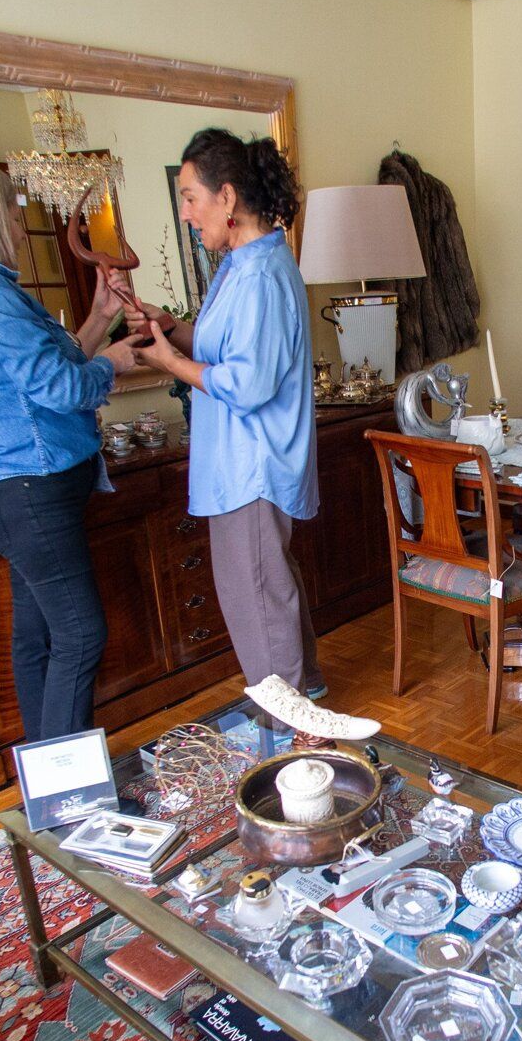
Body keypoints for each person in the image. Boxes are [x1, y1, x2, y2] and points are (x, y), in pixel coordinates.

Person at [0, 157, 142, 739]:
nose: (20, 227)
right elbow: (59, 388)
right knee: (80, 635)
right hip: (30, 490)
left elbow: (45, 368)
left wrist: (99, 318)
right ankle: (70, 784)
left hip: (19, 490)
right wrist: (113, 363)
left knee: (38, 638)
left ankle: (47, 777)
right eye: (11, 211)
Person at [128, 129, 325, 697]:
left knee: (257, 597)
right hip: (241, 463)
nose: (186, 213)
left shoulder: (259, 275)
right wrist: (171, 328)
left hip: (251, 466)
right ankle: (305, 701)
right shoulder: (242, 266)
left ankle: (291, 726)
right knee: (267, 589)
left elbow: (248, 382)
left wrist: (169, 363)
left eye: (190, 197)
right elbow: (227, 351)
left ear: (228, 197)